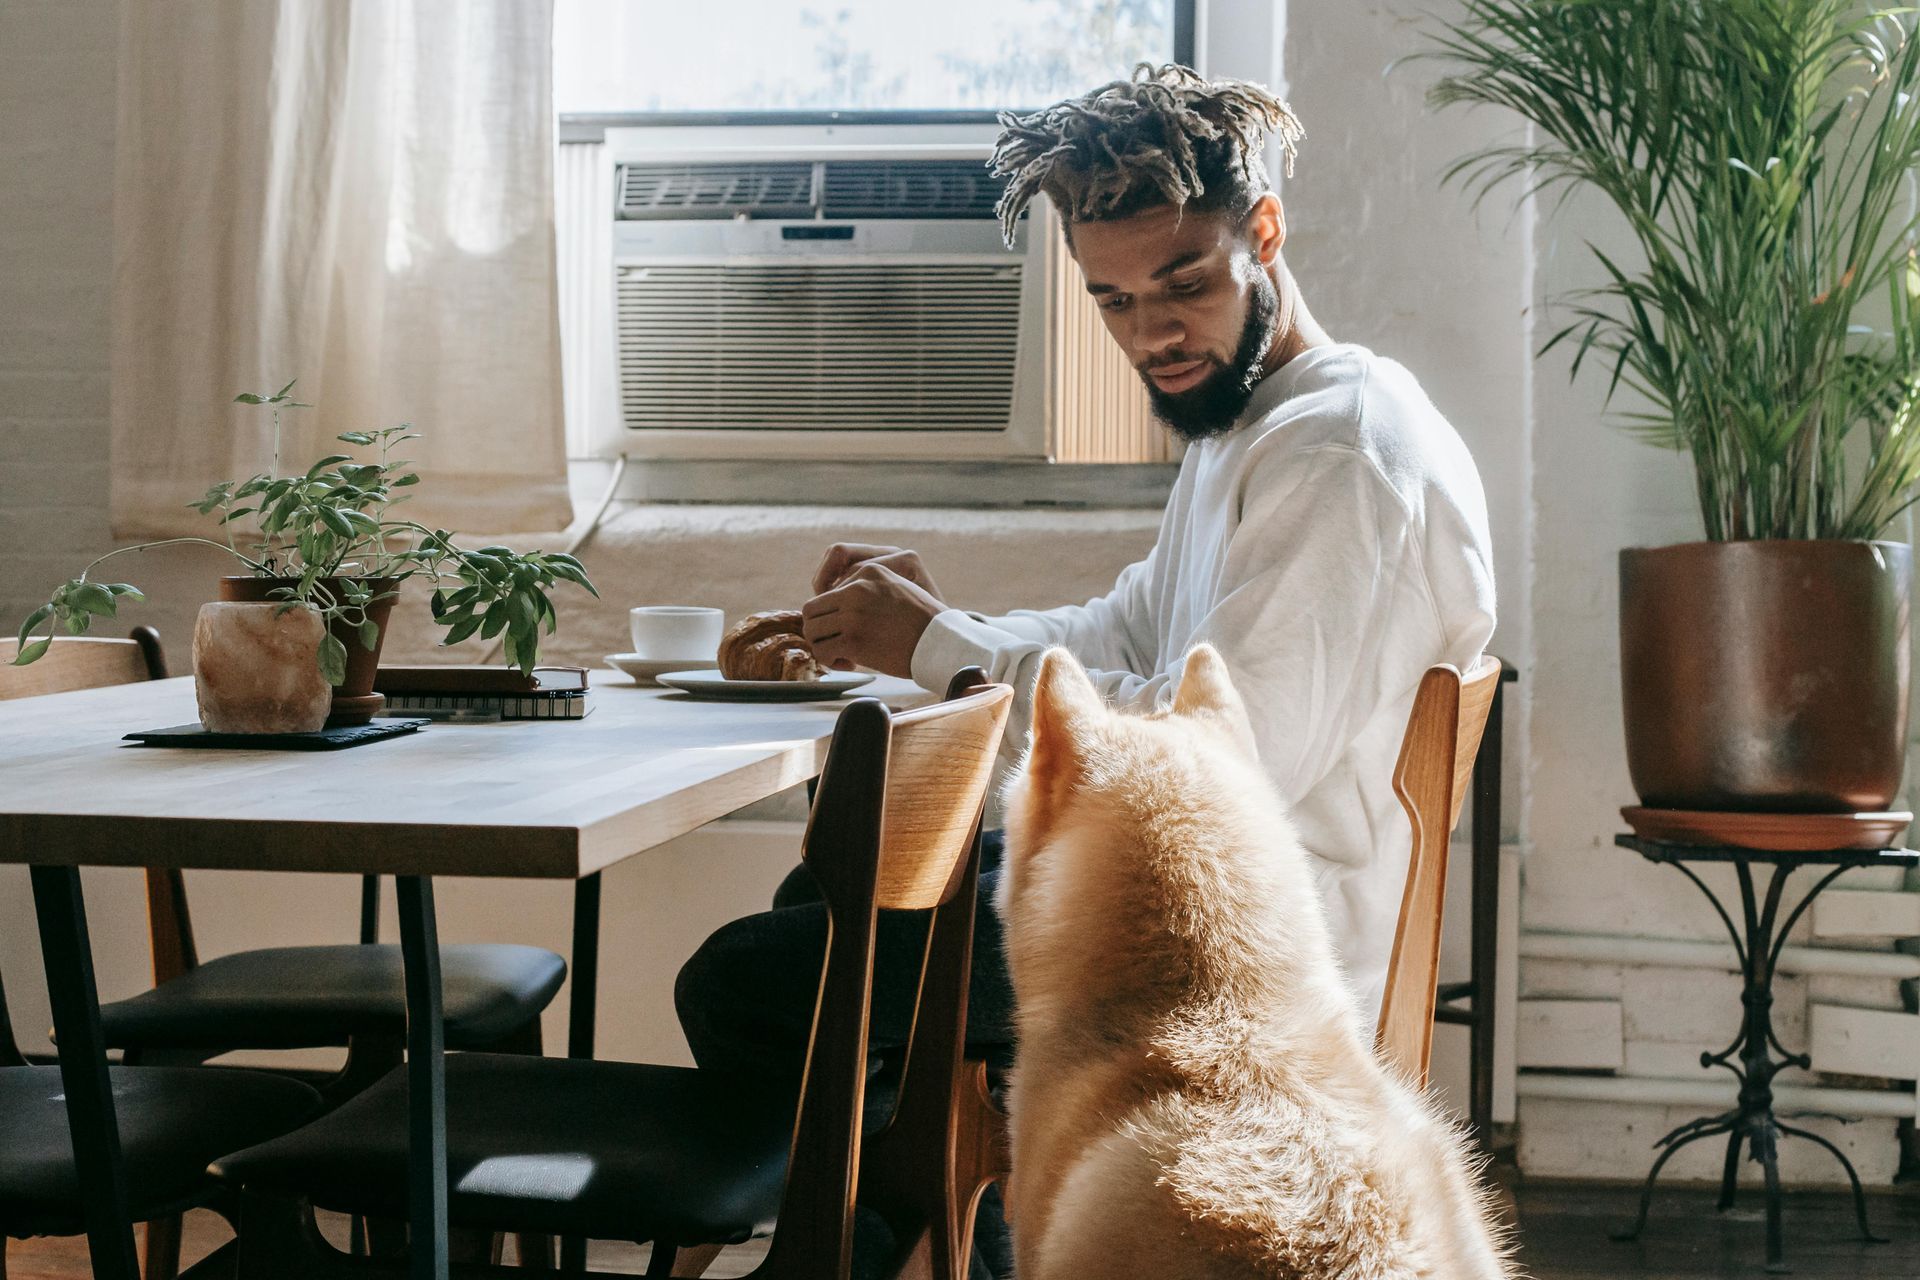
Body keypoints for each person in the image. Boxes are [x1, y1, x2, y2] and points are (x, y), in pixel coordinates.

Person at [675, 63, 1496, 1278]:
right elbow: (1124, 634)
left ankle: (880, 1241)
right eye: (1112, 301)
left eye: (1185, 284)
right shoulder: (1252, 428)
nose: (1153, 333)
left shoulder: (1338, 457)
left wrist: (941, 653)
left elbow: (1209, 776)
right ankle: (924, 1237)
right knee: (839, 895)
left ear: (1265, 233)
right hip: (1171, 921)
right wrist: (930, 627)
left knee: (749, 981)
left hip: (1226, 952)